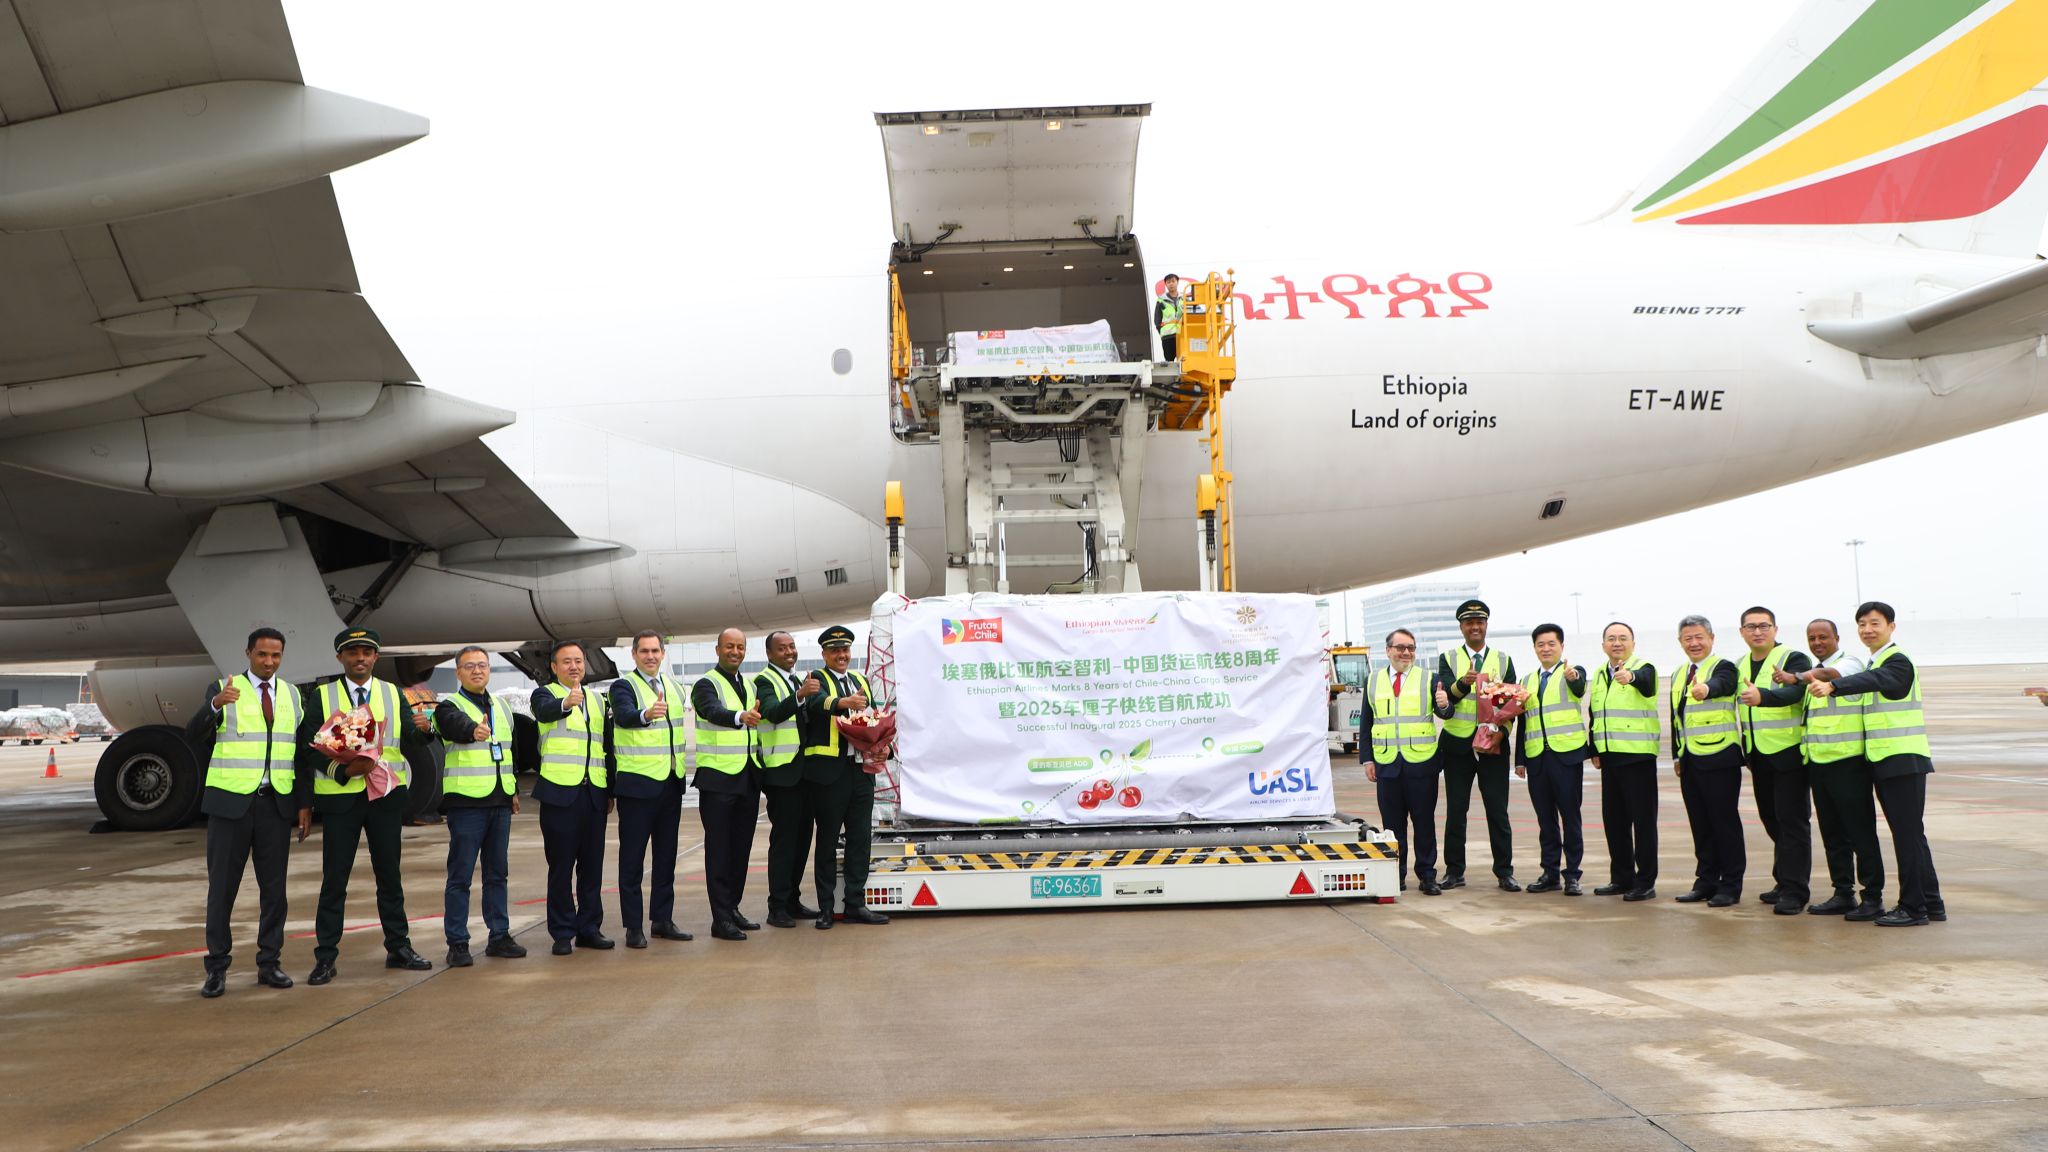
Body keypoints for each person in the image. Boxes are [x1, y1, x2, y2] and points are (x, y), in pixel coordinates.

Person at [301, 627, 434, 985]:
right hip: (341, 796)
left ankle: (399, 947)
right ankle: (325, 956)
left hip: (384, 796)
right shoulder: (322, 696)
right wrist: (341, 770)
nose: (360, 658)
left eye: (367, 652)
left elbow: (409, 739)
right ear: (340, 658)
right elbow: (308, 747)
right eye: (352, 652)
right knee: (335, 879)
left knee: (389, 876)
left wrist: (425, 729)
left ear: (376, 657)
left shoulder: (392, 693)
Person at [186, 626, 313, 997]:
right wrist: (215, 705)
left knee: (274, 892)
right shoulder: (223, 689)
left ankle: (269, 963)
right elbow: (193, 735)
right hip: (231, 805)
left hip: (275, 805)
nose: (269, 662)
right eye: (262, 655)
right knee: (222, 890)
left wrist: (304, 803)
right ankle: (217, 967)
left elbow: (300, 754)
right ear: (248, 654)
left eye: (275, 656)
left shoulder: (292, 695)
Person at [1810, 601, 1946, 927]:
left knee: (1907, 836)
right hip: (1885, 760)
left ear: (1891, 627)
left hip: (1903, 758)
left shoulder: (1896, 661)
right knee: (1912, 834)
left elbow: (1882, 680)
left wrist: (1834, 686)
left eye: (1875, 623)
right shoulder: (1876, 661)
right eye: (1862, 624)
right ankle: (1931, 902)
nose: (1867, 629)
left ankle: (1913, 909)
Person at [433, 646, 524, 966]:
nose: (477, 671)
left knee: (498, 873)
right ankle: (457, 941)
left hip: (499, 800)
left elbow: (506, 750)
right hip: (467, 803)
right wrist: (472, 730)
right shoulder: (449, 706)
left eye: (482, 665)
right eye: (469, 666)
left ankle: (499, 935)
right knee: (460, 876)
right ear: (458, 672)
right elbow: (453, 725)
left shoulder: (501, 705)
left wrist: (511, 789)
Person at [800, 624, 890, 929]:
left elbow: (875, 720)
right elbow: (814, 705)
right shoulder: (816, 679)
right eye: (835, 650)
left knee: (860, 840)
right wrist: (843, 704)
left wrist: (883, 750)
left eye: (845, 650)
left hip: (860, 772)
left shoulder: (860, 680)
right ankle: (826, 907)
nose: (842, 655)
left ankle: (855, 903)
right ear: (824, 653)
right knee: (826, 841)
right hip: (829, 776)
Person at [609, 630, 693, 948]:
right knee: (632, 861)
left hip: (670, 784)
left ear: (663, 653)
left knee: (665, 859)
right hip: (638, 787)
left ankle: (662, 919)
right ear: (633, 655)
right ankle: (633, 926)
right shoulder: (623, 686)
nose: (650, 656)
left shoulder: (673, 688)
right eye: (644, 651)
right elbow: (626, 716)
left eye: (655, 650)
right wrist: (646, 714)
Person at [1796, 619, 1884, 921]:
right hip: (1820, 763)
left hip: (1849, 763)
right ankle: (1843, 892)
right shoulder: (1812, 674)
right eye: (1811, 638)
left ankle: (1872, 896)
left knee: (1861, 833)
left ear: (1836, 637)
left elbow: (1830, 675)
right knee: (1833, 834)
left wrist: (1797, 676)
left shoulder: (1850, 663)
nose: (1817, 642)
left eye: (1823, 636)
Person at [530, 640, 613, 955]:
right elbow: (544, 712)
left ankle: (589, 928)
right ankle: (562, 932)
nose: (574, 666)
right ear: (554, 667)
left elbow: (606, 747)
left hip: (593, 794)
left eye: (578, 660)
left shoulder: (597, 699)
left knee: (592, 868)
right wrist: (566, 703)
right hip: (560, 795)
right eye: (566, 661)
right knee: (561, 868)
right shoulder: (546, 694)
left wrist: (609, 790)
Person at [1434, 599, 1520, 890]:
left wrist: (1502, 733)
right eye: (1469, 622)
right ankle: (1454, 871)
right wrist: (1463, 682)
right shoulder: (1448, 658)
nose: (1475, 627)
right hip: (1458, 747)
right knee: (1456, 811)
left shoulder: (1503, 659)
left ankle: (1505, 872)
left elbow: (1513, 703)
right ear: (1461, 627)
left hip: (1493, 747)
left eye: (1479, 622)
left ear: (1486, 625)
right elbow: (1446, 698)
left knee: (1498, 811)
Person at [1734, 606, 1814, 914]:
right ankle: (1784, 879)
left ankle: (1795, 890)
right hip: (1758, 754)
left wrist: (1763, 697)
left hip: (1788, 753)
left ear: (1775, 630)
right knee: (1772, 821)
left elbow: (1795, 694)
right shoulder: (1741, 663)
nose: (1757, 632)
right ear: (1742, 632)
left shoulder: (1793, 659)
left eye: (1764, 626)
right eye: (1751, 627)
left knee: (1792, 822)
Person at [693, 627, 765, 940]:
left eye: (740, 647)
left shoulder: (747, 684)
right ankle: (720, 918)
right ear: (718, 649)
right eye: (729, 646)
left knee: (740, 850)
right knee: (719, 851)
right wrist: (739, 717)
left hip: (747, 778)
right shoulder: (705, 683)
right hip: (718, 779)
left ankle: (732, 908)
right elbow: (712, 712)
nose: (735, 651)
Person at [1359, 629, 1444, 894]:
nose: (1406, 653)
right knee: (1392, 826)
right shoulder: (1373, 680)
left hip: (1421, 763)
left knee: (1424, 823)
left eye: (1411, 648)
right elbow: (1366, 722)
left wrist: (1445, 704)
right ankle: (1395, 874)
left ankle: (1427, 875)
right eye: (1400, 647)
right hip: (1386, 765)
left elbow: (1446, 712)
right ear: (1388, 650)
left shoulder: (1430, 678)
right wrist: (1367, 760)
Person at [1670, 615, 1745, 908]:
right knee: (1700, 824)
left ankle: (1731, 884)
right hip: (1690, 760)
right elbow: (1678, 718)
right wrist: (1678, 755)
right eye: (1688, 638)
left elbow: (1725, 684)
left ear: (1712, 638)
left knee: (1724, 823)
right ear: (1680, 642)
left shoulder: (1723, 666)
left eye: (1699, 636)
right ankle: (1706, 880)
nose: (1694, 643)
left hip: (1719, 757)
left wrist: (1707, 689)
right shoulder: (1679, 673)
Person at [1514, 624, 1589, 895]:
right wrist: (1519, 759)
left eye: (1551, 644)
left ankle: (1572, 875)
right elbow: (1524, 721)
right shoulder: (1527, 681)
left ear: (1561, 646)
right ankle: (1550, 872)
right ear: (1534, 648)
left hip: (1566, 756)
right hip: (1537, 758)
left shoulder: (1572, 672)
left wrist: (1572, 676)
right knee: (1545, 820)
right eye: (1540, 644)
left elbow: (1579, 687)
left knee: (1570, 817)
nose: (1546, 649)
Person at [1587, 622, 1659, 901]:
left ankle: (1645, 881)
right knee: (1614, 821)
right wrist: (1594, 748)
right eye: (1611, 639)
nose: (1617, 643)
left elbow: (1646, 681)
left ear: (1633, 642)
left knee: (1642, 822)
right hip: (1609, 757)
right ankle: (1621, 877)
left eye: (1623, 638)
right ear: (1603, 644)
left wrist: (1631, 677)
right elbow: (1597, 713)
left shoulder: (1645, 667)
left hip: (1637, 755)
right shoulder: (1600, 673)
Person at [756, 630, 822, 928]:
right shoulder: (764, 681)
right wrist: (800, 696)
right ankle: (777, 905)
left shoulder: (796, 679)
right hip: (782, 774)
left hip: (805, 774)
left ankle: (793, 899)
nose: (789, 652)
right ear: (770, 654)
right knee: (784, 842)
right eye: (782, 648)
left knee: (801, 841)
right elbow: (771, 712)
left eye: (792, 646)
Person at [1155, 273, 1182, 361]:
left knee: (1184, 362)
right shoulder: (1161, 300)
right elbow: (1157, 320)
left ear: (1177, 282)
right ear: (1166, 284)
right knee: (1169, 363)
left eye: (1173, 281)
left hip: (1182, 335)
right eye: (1168, 282)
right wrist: (1162, 332)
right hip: (1168, 336)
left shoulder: (1184, 298)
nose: (1171, 284)